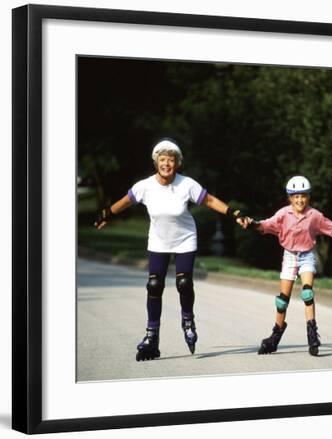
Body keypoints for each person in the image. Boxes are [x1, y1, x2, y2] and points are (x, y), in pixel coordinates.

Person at [94, 139, 245, 361]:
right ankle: (151, 336)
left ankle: (188, 321)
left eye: (171, 160)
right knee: (154, 286)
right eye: (162, 160)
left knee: (184, 283)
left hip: (185, 239)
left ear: (177, 163)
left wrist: (234, 213)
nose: (167, 164)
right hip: (158, 240)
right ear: (156, 162)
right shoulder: (144, 186)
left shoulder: (187, 184)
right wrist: (107, 213)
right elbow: (125, 202)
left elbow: (210, 200)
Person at [246, 176, 332, 356]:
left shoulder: (314, 215)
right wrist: (252, 224)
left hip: (307, 255)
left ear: (308, 197)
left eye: (303, 196)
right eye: (296, 196)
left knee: (307, 293)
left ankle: (312, 334)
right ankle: (275, 336)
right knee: (282, 300)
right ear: (290, 198)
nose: (300, 200)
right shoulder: (283, 214)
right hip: (290, 256)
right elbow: (266, 225)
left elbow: (331, 227)